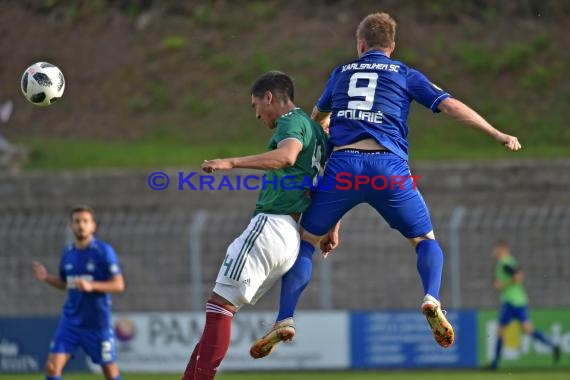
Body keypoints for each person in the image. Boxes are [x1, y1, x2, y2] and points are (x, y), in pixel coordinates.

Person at [251, 11, 523, 358]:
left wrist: (332, 215)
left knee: (306, 242)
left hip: (344, 167)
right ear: (391, 47)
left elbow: (318, 123)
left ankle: (284, 319)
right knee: (424, 240)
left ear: (360, 45)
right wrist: (497, 133)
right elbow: (450, 106)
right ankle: (431, 297)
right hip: (388, 168)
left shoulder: (341, 73)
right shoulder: (405, 73)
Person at [181, 71, 328, 380]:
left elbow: (286, 156)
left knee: (219, 308)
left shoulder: (292, 122)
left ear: (269, 98)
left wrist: (231, 163)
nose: (257, 114)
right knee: (220, 309)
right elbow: (322, 183)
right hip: (290, 236)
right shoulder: (317, 134)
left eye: (255, 105)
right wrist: (332, 226)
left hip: (271, 226)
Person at [32, 206, 125, 380]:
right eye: (77, 221)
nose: (81, 225)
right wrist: (46, 277)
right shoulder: (67, 253)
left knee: (111, 373)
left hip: (97, 324)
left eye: (85, 221)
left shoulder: (103, 251)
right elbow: (66, 284)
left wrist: (92, 286)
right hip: (70, 323)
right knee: (52, 367)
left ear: (93, 226)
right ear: (71, 226)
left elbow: (119, 285)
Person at [488, 241, 560, 369]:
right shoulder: (509, 261)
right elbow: (517, 276)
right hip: (519, 301)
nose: (494, 252)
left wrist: (502, 285)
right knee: (527, 330)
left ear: (503, 250)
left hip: (511, 301)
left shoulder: (505, 263)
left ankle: (495, 364)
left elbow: (518, 277)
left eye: (496, 250)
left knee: (501, 331)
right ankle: (553, 346)